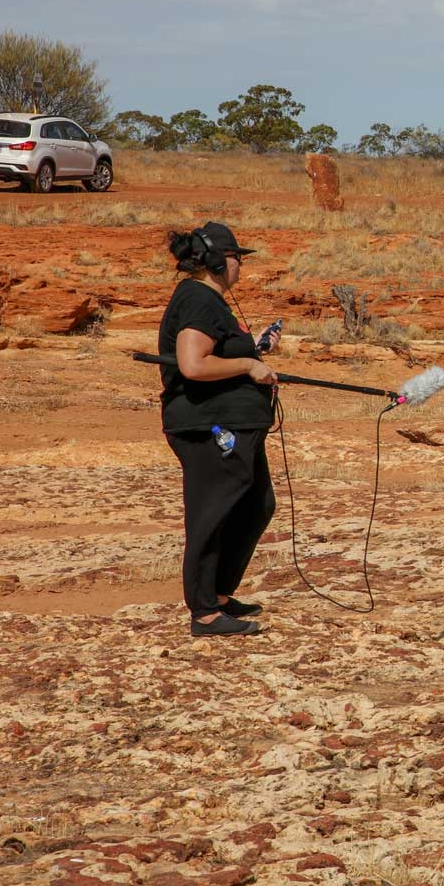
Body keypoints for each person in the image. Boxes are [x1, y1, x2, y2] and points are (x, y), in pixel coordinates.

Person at [158, 221, 280, 639]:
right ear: (215, 260)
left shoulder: (209, 302)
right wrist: (249, 365)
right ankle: (205, 612)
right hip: (208, 426)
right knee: (214, 512)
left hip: (237, 424)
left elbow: (217, 350)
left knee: (256, 505)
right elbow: (193, 364)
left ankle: (220, 593)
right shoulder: (197, 299)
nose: (240, 267)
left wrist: (254, 348)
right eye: (235, 259)